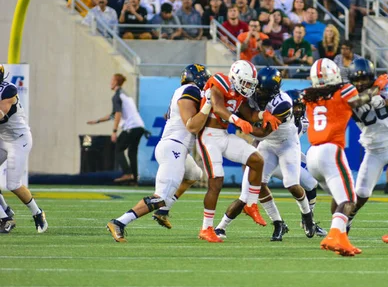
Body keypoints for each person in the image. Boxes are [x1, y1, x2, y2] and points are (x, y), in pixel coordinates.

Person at [106, 65, 211, 242]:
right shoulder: (191, 89)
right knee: (159, 197)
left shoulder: (184, 91)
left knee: (195, 173)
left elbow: (168, 115)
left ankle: (163, 211)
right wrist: (208, 104)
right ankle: (120, 222)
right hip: (174, 148)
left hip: (176, 147)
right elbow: (192, 125)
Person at [215, 68, 316, 241]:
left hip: (286, 143)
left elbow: (263, 133)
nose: (259, 93)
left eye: (263, 91)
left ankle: (307, 216)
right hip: (267, 145)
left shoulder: (283, 103)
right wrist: (240, 119)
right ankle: (276, 223)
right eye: (258, 88)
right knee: (254, 185)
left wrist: (245, 126)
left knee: (291, 183)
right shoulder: (250, 93)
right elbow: (244, 113)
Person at [197, 61, 281, 243]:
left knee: (257, 160)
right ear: (235, 76)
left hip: (223, 135)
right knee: (216, 181)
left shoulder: (240, 95)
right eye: (246, 83)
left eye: (251, 84)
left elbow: (249, 114)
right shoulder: (219, 81)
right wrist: (236, 120)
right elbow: (218, 107)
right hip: (208, 136)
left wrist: (263, 115)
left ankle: (250, 204)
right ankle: (206, 228)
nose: (249, 87)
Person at [303, 59, 375, 256]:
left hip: (312, 155)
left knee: (339, 198)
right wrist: (377, 88)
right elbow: (359, 101)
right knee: (350, 199)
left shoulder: (308, 96)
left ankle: (342, 239)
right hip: (330, 151)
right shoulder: (344, 92)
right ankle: (334, 234)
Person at [0, 65, 48, 234]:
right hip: (3, 139)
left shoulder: (8, 90)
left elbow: (1, 113)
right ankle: (5, 215)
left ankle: (38, 213)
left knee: (12, 184)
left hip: (18, 140)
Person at [87, 74, 146, 184]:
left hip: (131, 127)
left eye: (111, 80)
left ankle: (127, 173)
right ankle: (134, 179)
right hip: (139, 127)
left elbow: (118, 114)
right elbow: (113, 114)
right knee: (132, 153)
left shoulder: (116, 96)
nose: (110, 83)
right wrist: (97, 121)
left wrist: (114, 131)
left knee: (118, 148)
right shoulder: (125, 95)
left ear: (115, 82)